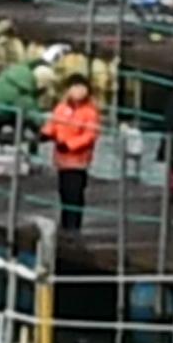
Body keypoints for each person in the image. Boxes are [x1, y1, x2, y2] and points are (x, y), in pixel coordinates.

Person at [42, 75, 103, 230]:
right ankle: (65, 224)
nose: (78, 91)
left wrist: (70, 145)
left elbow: (89, 135)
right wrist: (45, 133)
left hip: (78, 161)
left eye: (81, 87)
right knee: (64, 192)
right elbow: (53, 124)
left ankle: (74, 225)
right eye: (74, 87)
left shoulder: (90, 112)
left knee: (75, 193)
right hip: (61, 160)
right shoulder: (61, 108)